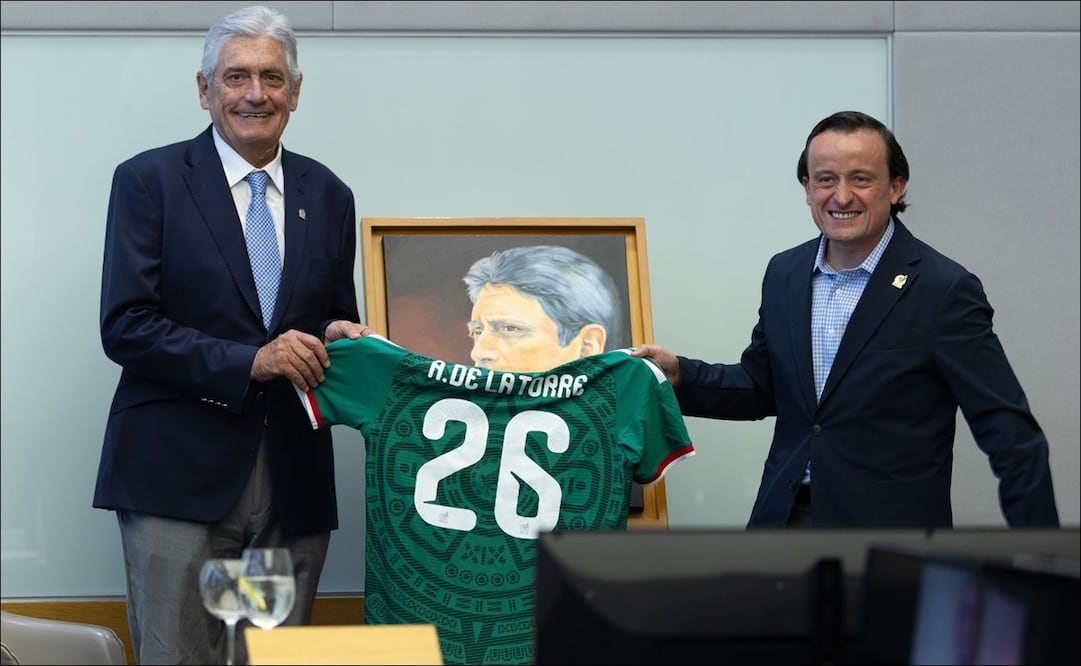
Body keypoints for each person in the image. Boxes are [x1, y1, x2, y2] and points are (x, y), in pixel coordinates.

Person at [93, 6, 369, 664]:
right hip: (179, 485)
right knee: (184, 655)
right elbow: (126, 326)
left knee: (261, 656)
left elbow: (325, 317)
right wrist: (254, 361)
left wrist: (336, 335)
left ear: (295, 92)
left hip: (284, 487)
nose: (254, 94)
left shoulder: (327, 194)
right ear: (204, 89)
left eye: (272, 78)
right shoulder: (150, 182)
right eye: (236, 76)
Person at [633, 110, 1059, 529]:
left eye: (860, 178)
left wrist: (1040, 561)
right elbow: (762, 387)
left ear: (895, 186)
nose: (840, 196)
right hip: (784, 523)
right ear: (806, 187)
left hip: (887, 540)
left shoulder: (943, 290)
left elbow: (1009, 432)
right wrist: (678, 375)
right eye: (825, 179)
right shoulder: (785, 273)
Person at [294, 333, 695, 665]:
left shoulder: (383, 373)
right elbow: (649, 467)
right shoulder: (627, 382)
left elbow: (311, 382)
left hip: (417, 634)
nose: (484, 341)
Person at [463, 244, 625, 372]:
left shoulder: (629, 411)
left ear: (587, 347)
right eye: (477, 331)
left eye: (509, 328)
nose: (477, 353)